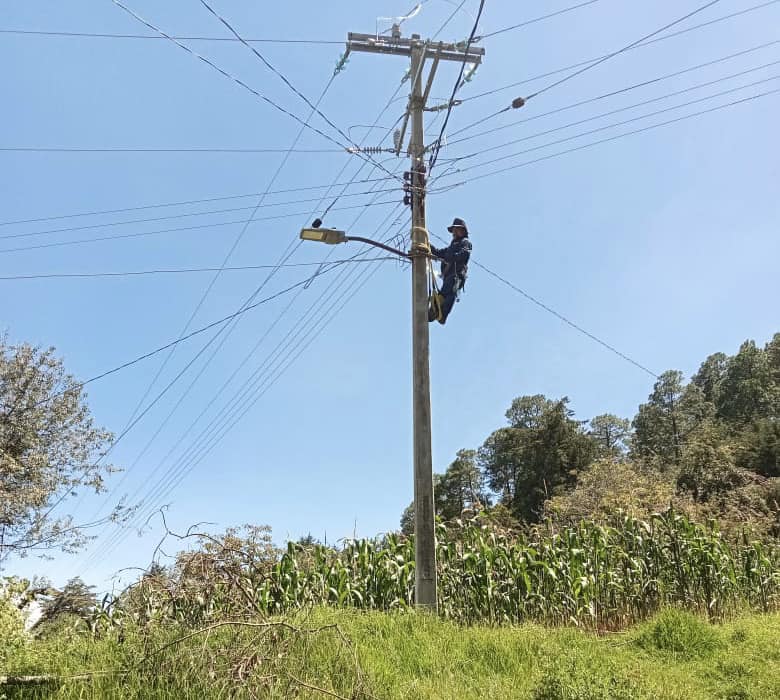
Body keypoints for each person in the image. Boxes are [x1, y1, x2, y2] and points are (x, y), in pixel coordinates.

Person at [428, 217, 472, 325]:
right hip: (449, 276)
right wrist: (427, 244)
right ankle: (434, 312)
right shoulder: (452, 246)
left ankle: (441, 315)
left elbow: (465, 254)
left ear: (463, 231)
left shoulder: (465, 242)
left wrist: (452, 257)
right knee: (443, 295)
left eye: (457, 230)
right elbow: (438, 252)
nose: (454, 232)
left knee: (449, 295)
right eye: (453, 230)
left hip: (456, 275)